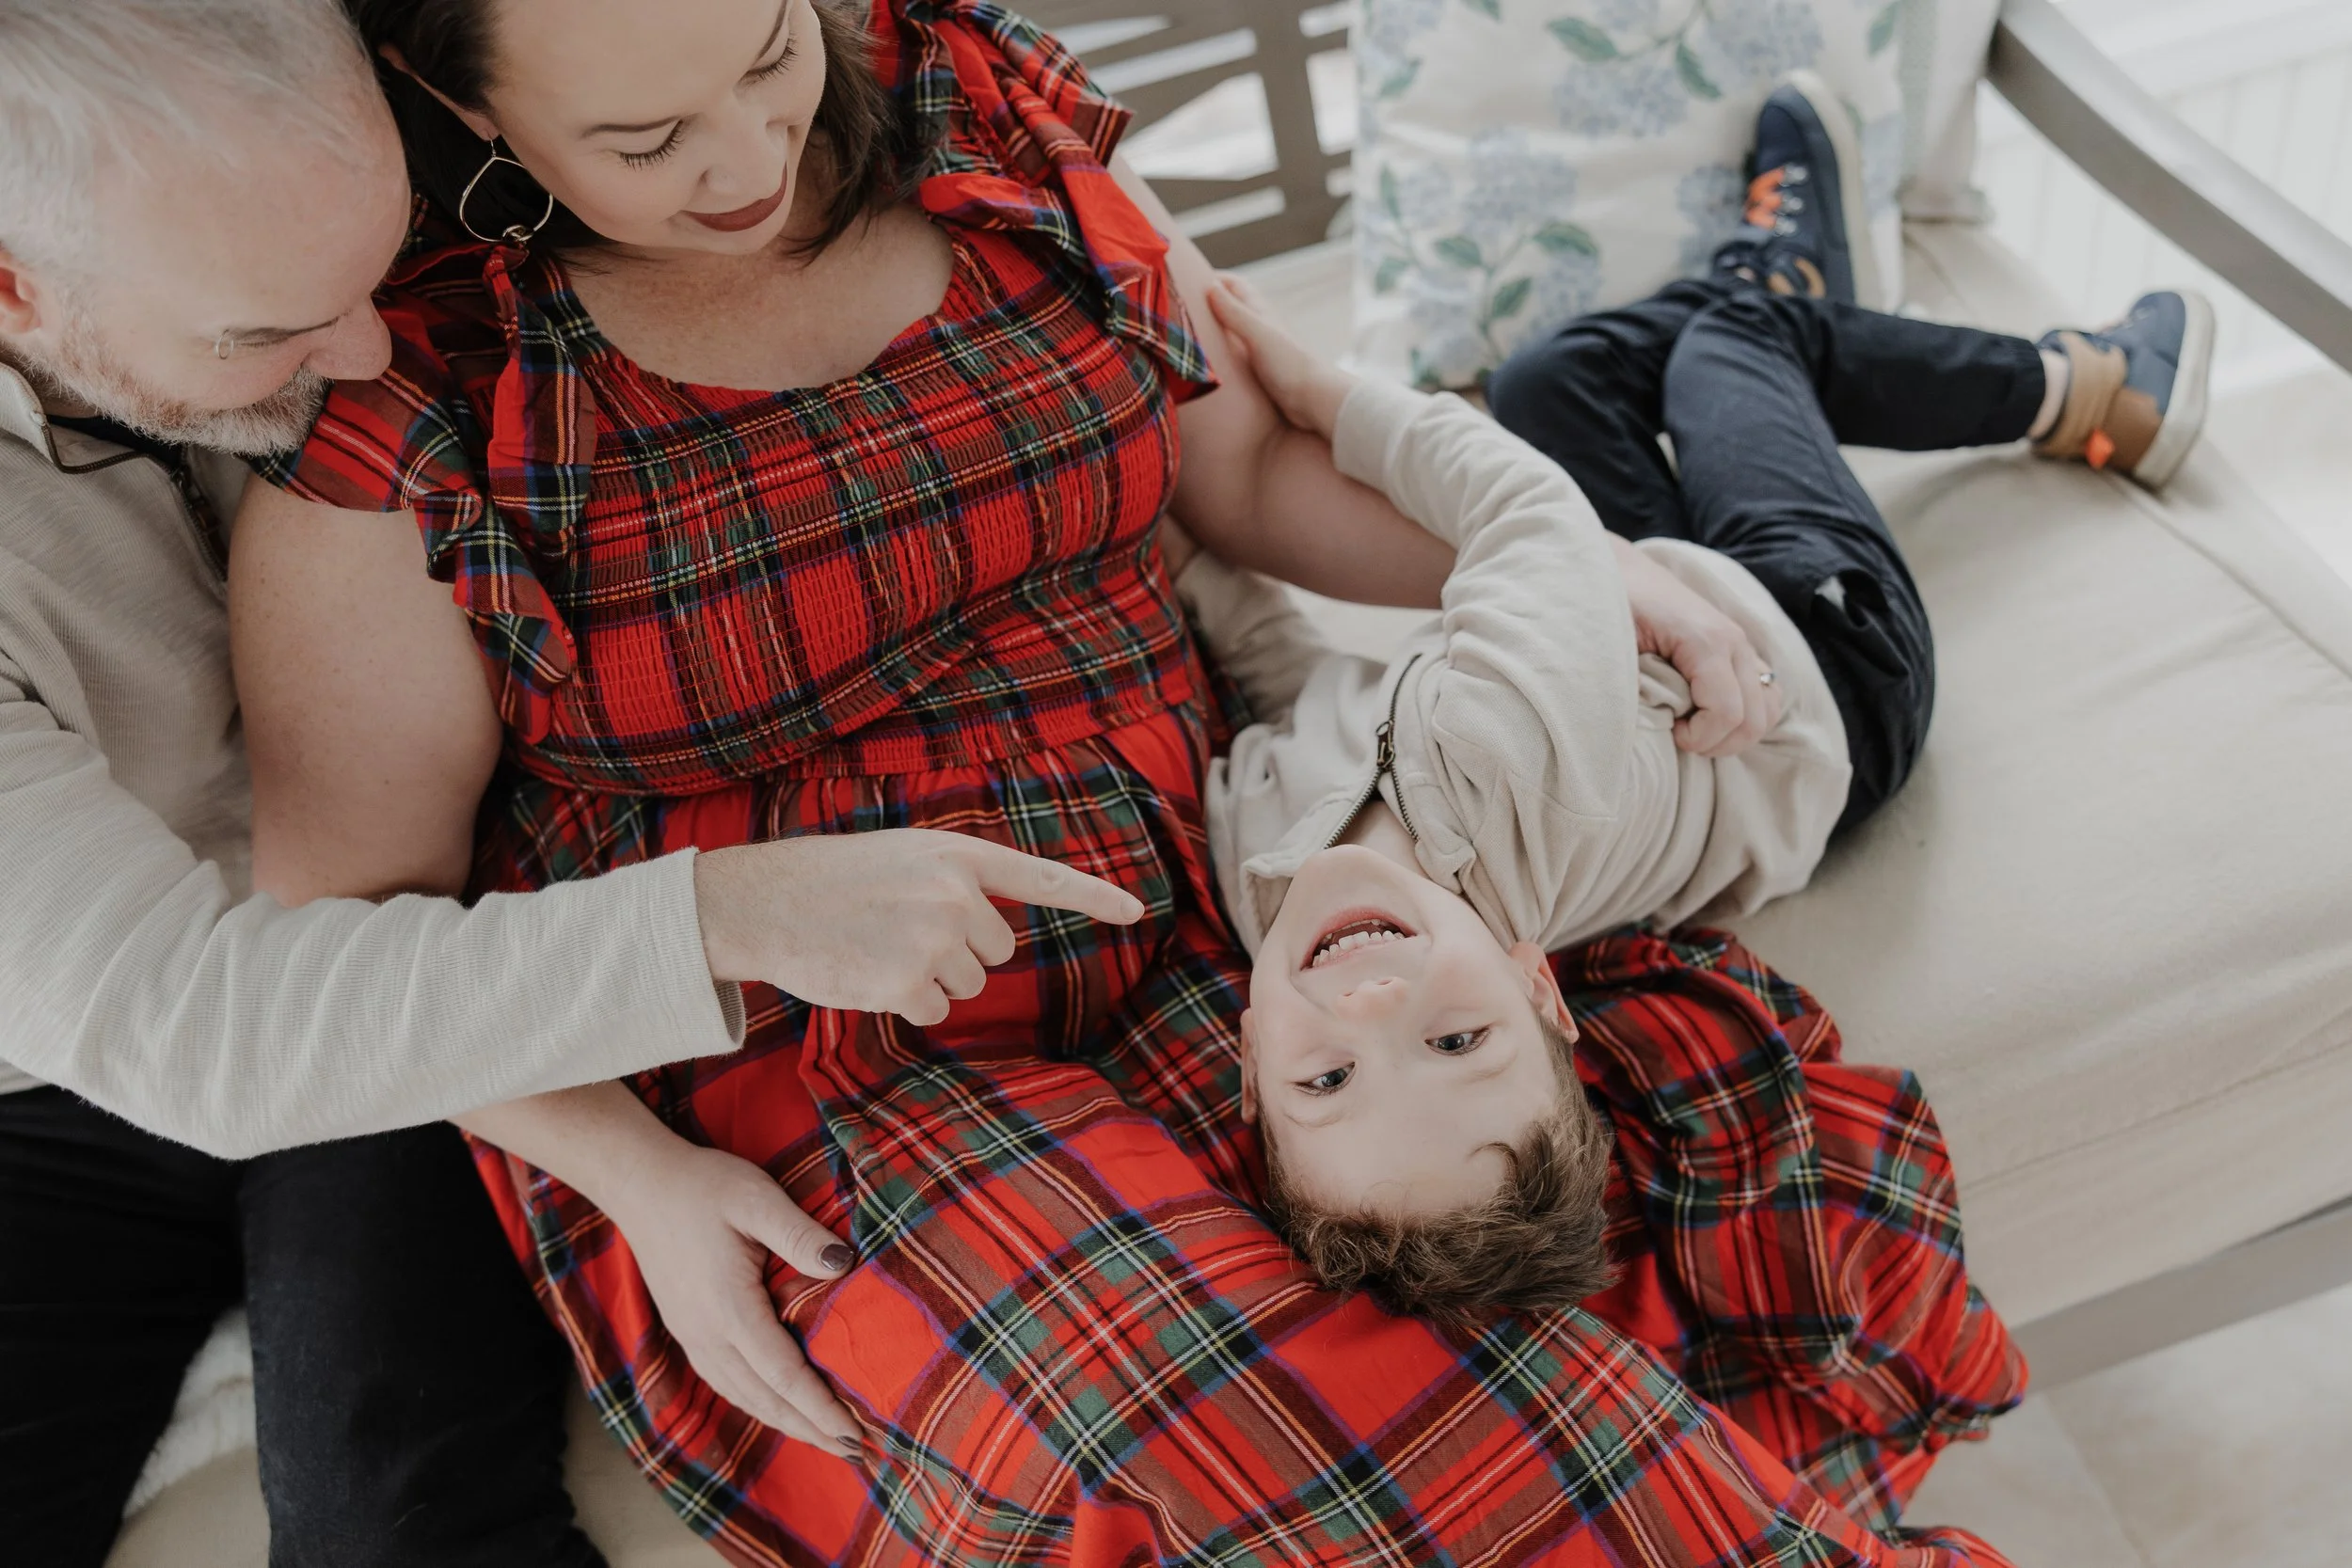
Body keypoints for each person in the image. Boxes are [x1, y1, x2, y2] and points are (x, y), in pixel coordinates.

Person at [238, 1, 2022, 1560]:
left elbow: (1235, 475)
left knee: (1505, 1317)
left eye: (771, 50)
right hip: (813, 1049)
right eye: (643, 135)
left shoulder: (987, 133)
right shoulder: (427, 417)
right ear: (461, 105)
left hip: (1199, 903)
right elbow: (354, 923)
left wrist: (1547, 565)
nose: (748, 152)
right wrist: (629, 1170)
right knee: (1221, 1438)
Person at [0, 1, 1145, 1559]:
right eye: (268, 333)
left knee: (397, 1521)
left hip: (449, 949)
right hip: (128, 1041)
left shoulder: (361, 102)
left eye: (376, 263)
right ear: (19, 289)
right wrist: (724, 923)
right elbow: (195, 1024)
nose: (368, 355)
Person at [1160, 74, 2215, 1321]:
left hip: (1632, 636)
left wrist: (1165, 534)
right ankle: (2084, 387)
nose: (1374, 1008)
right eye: (1458, 1043)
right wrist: (1330, 396)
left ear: (1248, 1069)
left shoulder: (1253, 880)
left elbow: (1286, 681)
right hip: (1820, 661)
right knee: (1733, 344)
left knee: (1558, 378)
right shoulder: (1513, 769)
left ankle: (1792, 266)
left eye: (1328, 1078)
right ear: (1534, 983)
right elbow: (1522, 516)